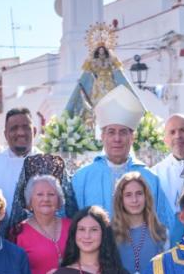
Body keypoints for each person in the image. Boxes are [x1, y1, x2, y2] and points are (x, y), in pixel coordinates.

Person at [72, 85, 174, 228]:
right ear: (102, 136)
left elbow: (165, 225)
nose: (117, 139)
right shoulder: (82, 178)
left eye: (123, 132)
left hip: (140, 249)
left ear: (132, 137)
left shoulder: (149, 178)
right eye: (111, 132)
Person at [151, 113, 184, 214]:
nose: (178, 136)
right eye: (172, 132)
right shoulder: (156, 174)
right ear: (165, 140)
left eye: (183, 130)